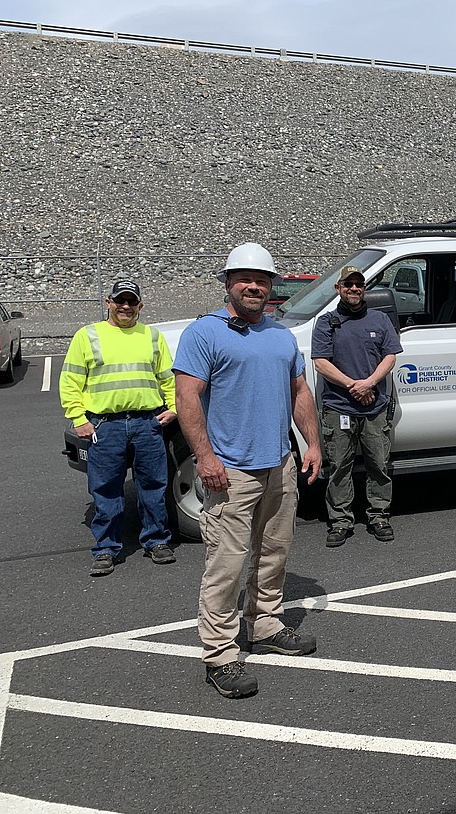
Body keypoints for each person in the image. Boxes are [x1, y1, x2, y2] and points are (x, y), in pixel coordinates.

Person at [173, 242, 323, 699]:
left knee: (275, 550)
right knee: (226, 563)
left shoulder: (280, 336)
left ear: (272, 286)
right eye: (244, 278)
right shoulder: (205, 333)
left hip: (279, 463)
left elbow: (299, 393)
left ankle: (266, 623)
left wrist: (312, 443)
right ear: (228, 283)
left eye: (262, 280)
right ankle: (219, 654)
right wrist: (205, 456)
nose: (254, 286)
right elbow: (187, 398)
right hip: (230, 470)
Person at [60, 279, 178, 577]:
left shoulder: (152, 337)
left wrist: (173, 408)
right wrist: (78, 418)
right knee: (106, 489)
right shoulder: (88, 336)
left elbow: (168, 378)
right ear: (108, 302)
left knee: (153, 485)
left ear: (140, 305)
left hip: (146, 423)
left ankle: (156, 540)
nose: (125, 306)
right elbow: (71, 380)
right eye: (119, 300)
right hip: (105, 426)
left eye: (131, 301)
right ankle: (106, 549)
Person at [312, 265, 404, 547]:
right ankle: (340, 521)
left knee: (379, 464)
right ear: (337, 288)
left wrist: (370, 383)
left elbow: (390, 356)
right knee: (340, 466)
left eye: (359, 284)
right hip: (339, 406)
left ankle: (379, 516)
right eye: (348, 284)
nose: (354, 288)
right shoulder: (326, 322)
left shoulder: (380, 319)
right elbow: (320, 362)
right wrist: (354, 385)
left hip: (374, 407)